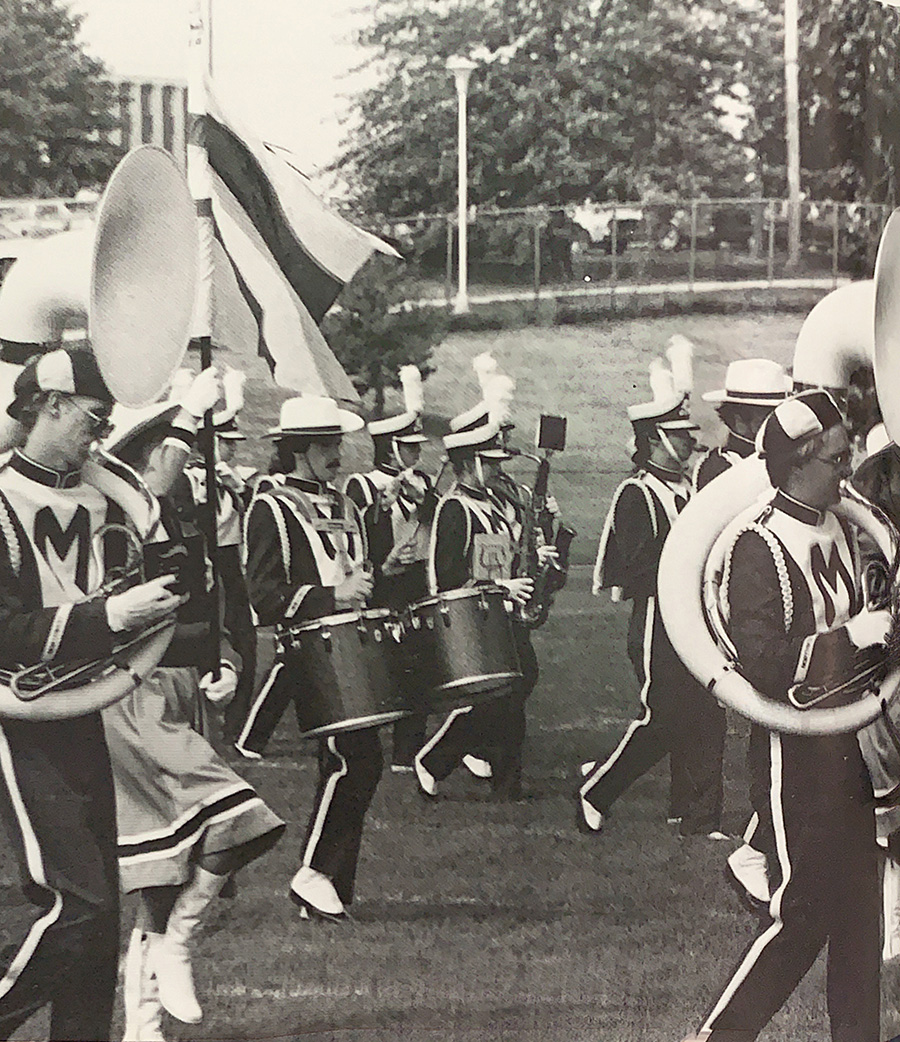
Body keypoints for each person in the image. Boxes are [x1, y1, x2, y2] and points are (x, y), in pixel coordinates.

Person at [682, 390, 885, 1042]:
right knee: (803, 914)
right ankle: (718, 1037)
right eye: (835, 458)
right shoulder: (755, 545)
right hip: (793, 750)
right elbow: (765, 662)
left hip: (852, 741)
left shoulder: (841, 528)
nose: (846, 471)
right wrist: (857, 639)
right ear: (799, 461)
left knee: (862, 913)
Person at [0, 349, 184, 1042]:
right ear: (49, 405)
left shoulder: (110, 496)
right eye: (91, 417)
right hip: (19, 720)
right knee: (76, 906)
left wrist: (168, 551)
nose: (100, 434)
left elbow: (170, 591)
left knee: (99, 921)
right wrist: (104, 619)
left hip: (94, 712)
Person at [101, 383, 285, 1041]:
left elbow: (213, 617)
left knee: (173, 871)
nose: (183, 461)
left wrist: (230, 665)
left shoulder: (193, 517)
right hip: (132, 699)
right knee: (236, 822)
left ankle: (144, 1028)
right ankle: (175, 948)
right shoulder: (107, 520)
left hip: (188, 698)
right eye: (171, 446)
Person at [239, 395, 381, 922]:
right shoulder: (270, 506)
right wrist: (332, 598)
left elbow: (356, 574)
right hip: (312, 648)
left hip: (353, 644)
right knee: (357, 760)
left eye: (337, 442)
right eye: (327, 444)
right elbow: (265, 594)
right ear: (298, 449)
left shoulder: (345, 504)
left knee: (345, 762)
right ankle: (314, 874)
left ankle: (331, 886)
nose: (337, 453)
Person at [581, 342, 727, 839]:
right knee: (663, 717)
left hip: (695, 617)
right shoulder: (637, 492)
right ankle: (597, 791)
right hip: (656, 620)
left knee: (707, 713)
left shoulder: (688, 490)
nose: (691, 443)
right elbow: (642, 567)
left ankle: (694, 816)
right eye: (681, 436)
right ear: (659, 438)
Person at [412, 381, 535, 800]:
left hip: (503, 615)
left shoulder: (493, 504)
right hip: (477, 621)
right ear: (470, 462)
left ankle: (504, 781)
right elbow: (447, 578)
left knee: (516, 688)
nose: (500, 469)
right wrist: (500, 586)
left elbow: (503, 555)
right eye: (491, 461)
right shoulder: (455, 508)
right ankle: (440, 759)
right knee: (503, 696)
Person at [344, 365, 435, 773]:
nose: (418, 454)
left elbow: (438, 521)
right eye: (410, 448)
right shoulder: (360, 485)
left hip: (416, 581)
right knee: (386, 668)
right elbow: (357, 535)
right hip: (382, 582)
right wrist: (383, 504)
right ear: (390, 448)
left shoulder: (423, 483)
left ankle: (408, 750)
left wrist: (421, 499)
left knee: (418, 666)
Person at [693, 358, 790, 491]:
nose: (777, 422)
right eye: (767, 416)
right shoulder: (719, 467)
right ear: (739, 420)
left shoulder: (780, 457)